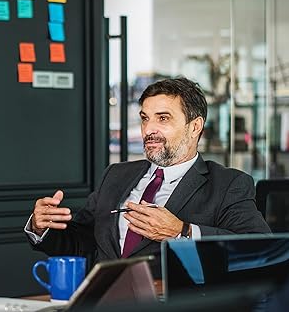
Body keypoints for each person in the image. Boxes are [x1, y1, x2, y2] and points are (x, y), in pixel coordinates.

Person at [25, 77, 270, 277]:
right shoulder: (116, 174)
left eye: (163, 118)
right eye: (145, 118)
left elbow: (259, 249)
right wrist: (42, 227)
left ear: (195, 127)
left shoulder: (228, 184)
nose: (149, 129)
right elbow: (82, 241)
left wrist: (181, 232)